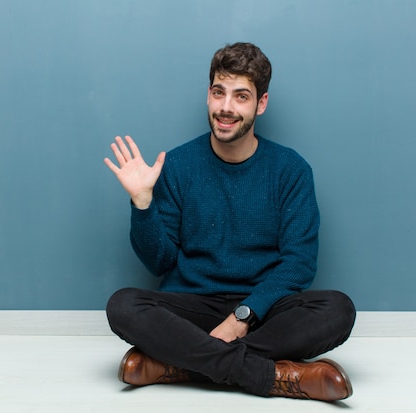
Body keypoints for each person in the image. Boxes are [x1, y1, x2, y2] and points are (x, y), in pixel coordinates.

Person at [103, 42, 356, 402]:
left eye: (241, 96)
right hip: (192, 307)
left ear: (261, 104)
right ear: (208, 95)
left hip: (264, 310)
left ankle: (177, 365)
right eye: (219, 93)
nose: (226, 107)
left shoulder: (291, 170)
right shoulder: (177, 165)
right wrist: (143, 203)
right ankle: (275, 376)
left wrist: (243, 317)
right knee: (122, 305)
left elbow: (299, 264)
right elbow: (160, 262)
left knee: (338, 310)